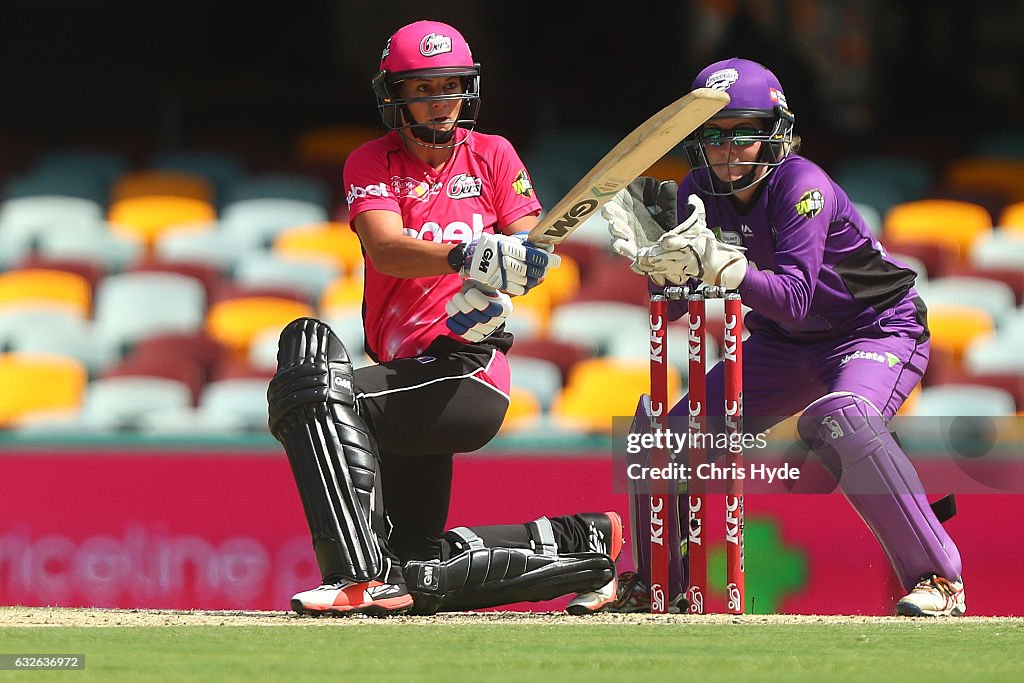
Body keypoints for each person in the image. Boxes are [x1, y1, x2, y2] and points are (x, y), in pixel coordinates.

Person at [265, 20, 622, 617]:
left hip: (468, 371)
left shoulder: (494, 156)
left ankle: (353, 576)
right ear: (395, 95)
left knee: (318, 399)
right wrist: (466, 254)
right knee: (417, 570)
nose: (440, 101)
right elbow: (385, 248)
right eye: (423, 88)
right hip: (406, 373)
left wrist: (497, 293)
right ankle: (582, 543)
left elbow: (527, 258)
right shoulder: (371, 161)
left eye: (451, 85)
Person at [599, 57, 965, 617]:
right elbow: (676, 306)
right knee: (672, 436)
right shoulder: (698, 188)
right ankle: (656, 583)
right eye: (713, 136)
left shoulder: (802, 184)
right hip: (781, 343)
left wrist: (724, 267)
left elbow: (794, 297)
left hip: (876, 327)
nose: (726, 150)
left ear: (775, 132)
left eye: (741, 132)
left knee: (840, 417)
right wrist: (661, 266)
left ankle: (938, 579)